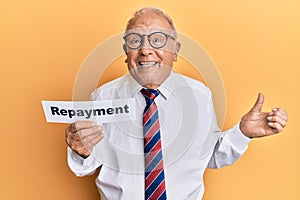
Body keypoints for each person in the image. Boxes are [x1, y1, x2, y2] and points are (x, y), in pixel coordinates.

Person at [65, 7, 288, 200]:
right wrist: (81, 152)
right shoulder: (102, 97)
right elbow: (88, 164)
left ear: (175, 51)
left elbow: (209, 156)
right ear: (126, 52)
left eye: (158, 40)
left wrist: (243, 133)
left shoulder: (199, 95)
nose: (145, 50)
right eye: (135, 41)